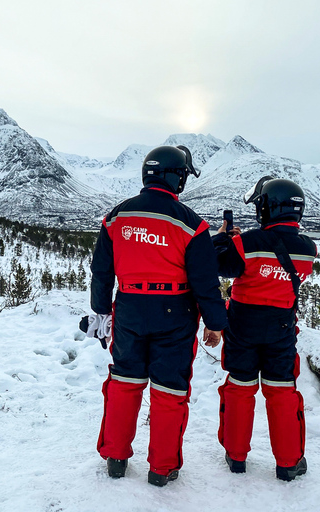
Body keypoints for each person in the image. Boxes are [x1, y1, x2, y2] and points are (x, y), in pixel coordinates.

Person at [87, 145, 228, 486]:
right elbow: (205, 282)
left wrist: (101, 312)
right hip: (175, 313)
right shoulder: (192, 226)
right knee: (170, 391)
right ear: (177, 177)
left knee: (124, 382)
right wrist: (215, 323)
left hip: (130, 309)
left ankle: (116, 458)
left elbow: (101, 272)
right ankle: (162, 468)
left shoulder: (116, 217)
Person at [208, 176, 317, 481]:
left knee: (240, 389)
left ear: (266, 208)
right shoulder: (308, 249)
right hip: (281, 327)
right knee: (282, 392)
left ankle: (236, 455)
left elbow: (220, 265)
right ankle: (288, 462)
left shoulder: (248, 243)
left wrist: (223, 238)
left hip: (243, 323)